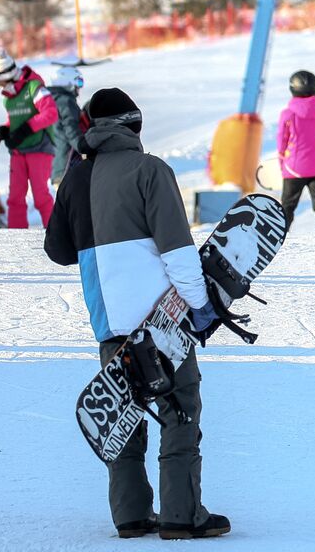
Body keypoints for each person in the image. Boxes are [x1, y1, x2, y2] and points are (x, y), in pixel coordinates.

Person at [44, 87, 230, 540]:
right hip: (158, 321)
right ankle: (181, 517)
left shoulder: (76, 178)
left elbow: (57, 250)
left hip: (109, 324)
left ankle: (130, 516)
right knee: (178, 410)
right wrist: (202, 307)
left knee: (124, 416)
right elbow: (178, 252)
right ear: (135, 126)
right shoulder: (150, 170)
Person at [0, 48, 58, 228]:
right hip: (18, 150)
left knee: (41, 196)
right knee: (15, 198)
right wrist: (4, 130)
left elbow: (51, 113)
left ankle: (54, 233)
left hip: (39, 147)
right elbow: (14, 119)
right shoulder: (9, 96)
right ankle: (15, 238)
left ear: (7, 75)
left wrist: (25, 130)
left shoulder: (34, 87)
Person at [278, 70, 315, 232]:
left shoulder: (287, 114)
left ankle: (281, 237)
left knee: (287, 207)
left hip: (294, 169)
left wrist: (282, 162)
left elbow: (282, 141)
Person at [48, 66, 87, 186]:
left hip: (55, 163)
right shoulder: (66, 102)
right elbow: (71, 129)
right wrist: (84, 147)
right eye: (79, 82)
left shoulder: (49, 100)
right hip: (67, 163)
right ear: (68, 82)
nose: (79, 88)